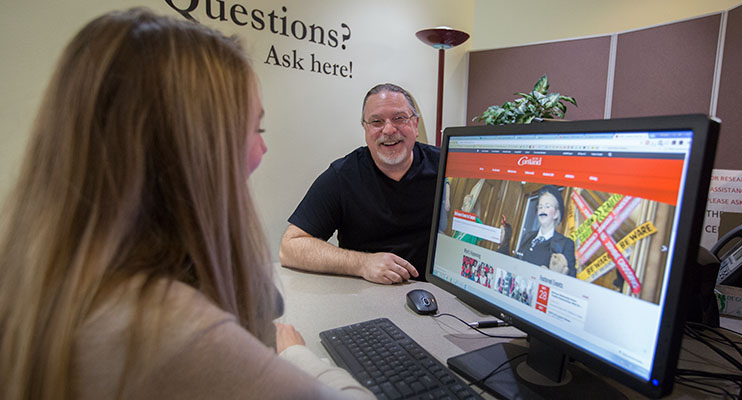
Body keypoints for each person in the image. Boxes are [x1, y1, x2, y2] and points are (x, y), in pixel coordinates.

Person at [0, 9, 372, 400]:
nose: (262, 148)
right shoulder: (162, 332)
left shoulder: (53, 280)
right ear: (195, 148)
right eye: (254, 128)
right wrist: (295, 353)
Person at [279, 84, 440, 284]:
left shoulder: (446, 167)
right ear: (365, 128)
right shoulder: (342, 176)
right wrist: (362, 263)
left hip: (439, 295)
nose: (389, 129)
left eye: (399, 118)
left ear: (415, 125)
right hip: (366, 294)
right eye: (376, 121)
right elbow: (290, 247)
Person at [515, 186, 577, 276]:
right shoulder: (527, 237)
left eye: (547, 206)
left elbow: (570, 281)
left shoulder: (565, 244)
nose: (543, 210)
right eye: (540, 207)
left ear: (556, 213)